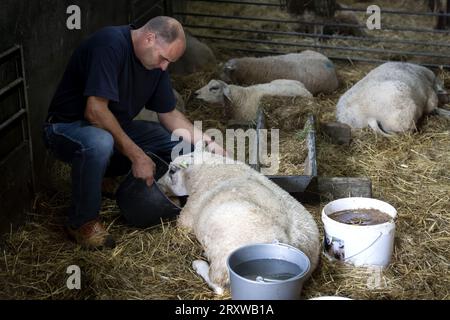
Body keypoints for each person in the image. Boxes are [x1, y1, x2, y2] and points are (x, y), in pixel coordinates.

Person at [43, 16, 226, 250]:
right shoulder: (109, 44)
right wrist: (138, 156)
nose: (164, 67)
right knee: (100, 142)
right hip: (67, 128)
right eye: (164, 58)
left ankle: (109, 178)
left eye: (169, 61)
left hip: (113, 128)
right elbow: (95, 110)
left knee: (183, 146)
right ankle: (82, 222)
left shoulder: (156, 64)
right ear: (149, 38)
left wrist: (210, 144)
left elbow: (169, 114)